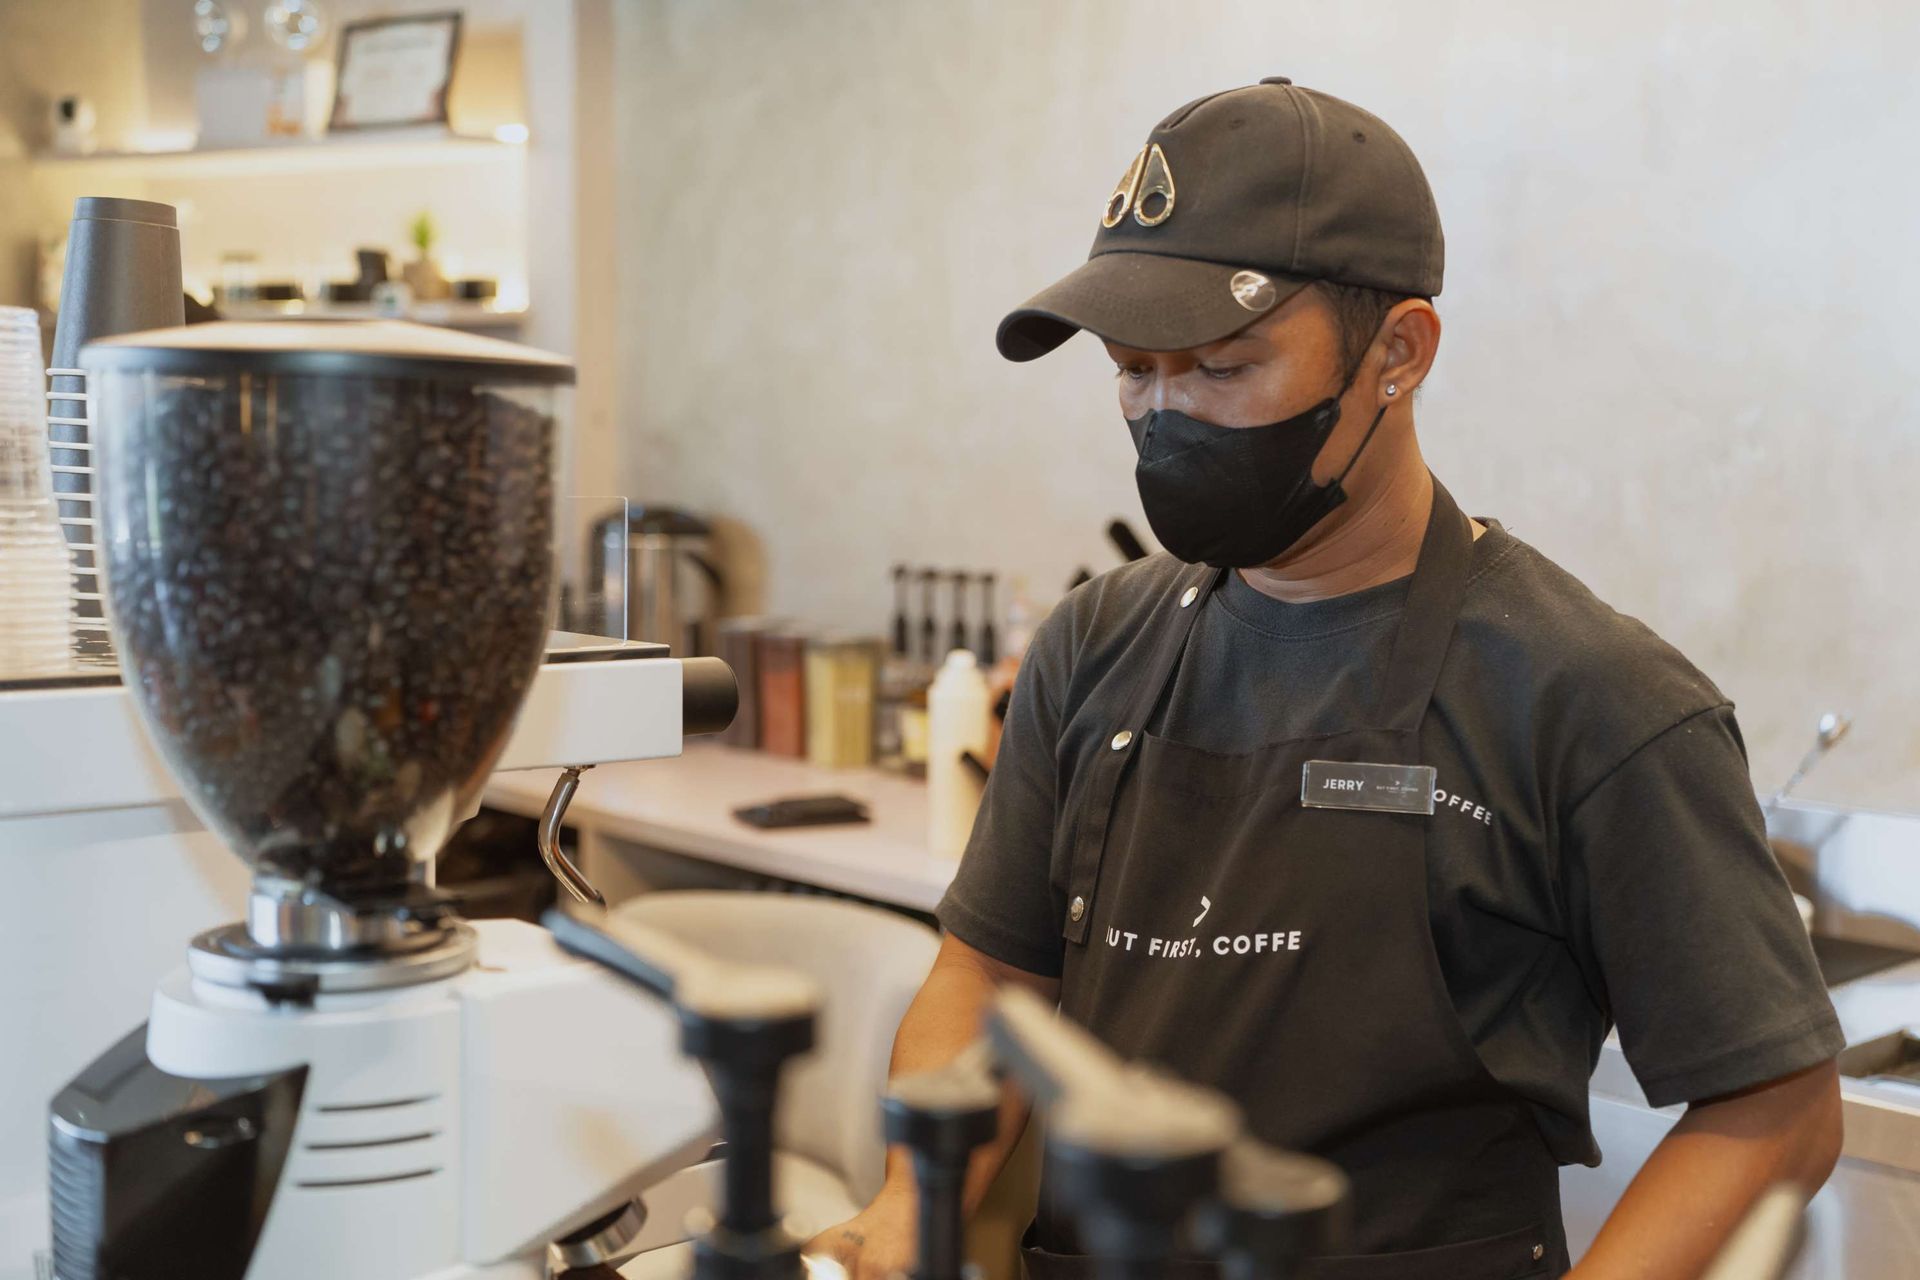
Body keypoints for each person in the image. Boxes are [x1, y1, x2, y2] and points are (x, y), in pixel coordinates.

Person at [809, 76, 1844, 1279]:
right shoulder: (1095, 646)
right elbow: (992, 972)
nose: (1167, 414)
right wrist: (902, 1213)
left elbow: (1776, 1108)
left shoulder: (1591, 698)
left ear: (1396, 353)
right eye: (1135, 369)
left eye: (1222, 365)